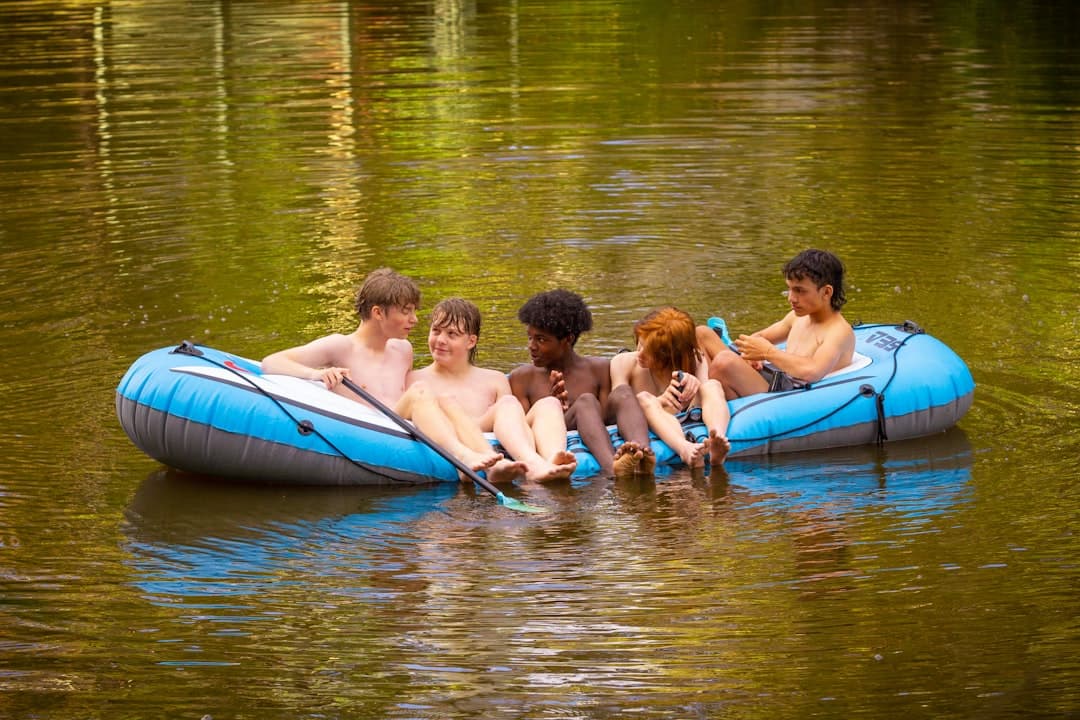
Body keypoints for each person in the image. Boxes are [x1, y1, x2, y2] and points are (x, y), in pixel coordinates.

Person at [261, 269, 505, 477]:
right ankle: (462, 455)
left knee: (442, 398)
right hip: (375, 432)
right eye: (406, 311)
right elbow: (272, 362)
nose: (415, 319)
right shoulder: (341, 346)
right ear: (378, 312)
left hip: (404, 424)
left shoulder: (402, 349)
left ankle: (489, 458)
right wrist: (316, 374)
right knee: (420, 390)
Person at [397, 298, 578, 483]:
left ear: (471, 341)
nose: (441, 340)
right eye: (436, 331)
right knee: (446, 401)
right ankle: (533, 465)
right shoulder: (414, 380)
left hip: (490, 430)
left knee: (547, 403)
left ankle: (553, 458)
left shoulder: (495, 379)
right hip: (454, 436)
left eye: (452, 334)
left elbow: (515, 421)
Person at [509, 289, 655, 477]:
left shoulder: (599, 369)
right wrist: (553, 408)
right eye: (530, 337)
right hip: (555, 433)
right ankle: (613, 469)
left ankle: (642, 454)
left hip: (596, 427)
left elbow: (604, 417)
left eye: (541, 339)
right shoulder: (522, 378)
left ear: (567, 339)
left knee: (623, 392)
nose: (531, 346)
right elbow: (522, 428)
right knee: (586, 401)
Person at [695, 248, 855, 398]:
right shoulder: (797, 317)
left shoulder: (838, 332)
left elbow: (812, 371)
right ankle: (702, 398)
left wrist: (767, 353)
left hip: (788, 395)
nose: (791, 298)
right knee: (702, 333)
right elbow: (759, 337)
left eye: (800, 291)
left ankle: (705, 401)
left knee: (724, 362)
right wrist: (751, 355)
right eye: (790, 289)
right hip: (775, 378)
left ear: (826, 292)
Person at [610, 307, 731, 470]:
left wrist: (695, 384)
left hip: (691, 412)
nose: (640, 353)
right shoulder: (623, 363)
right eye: (640, 343)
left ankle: (717, 439)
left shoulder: (694, 359)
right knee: (644, 398)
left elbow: (705, 400)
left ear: (670, 354)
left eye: (649, 351)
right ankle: (685, 449)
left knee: (712, 385)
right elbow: (618, 406)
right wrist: (660, 400)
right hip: (653, 414)